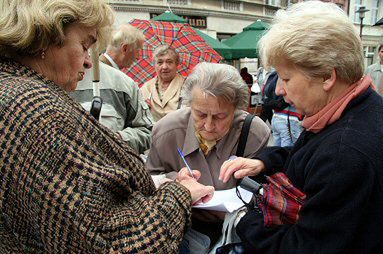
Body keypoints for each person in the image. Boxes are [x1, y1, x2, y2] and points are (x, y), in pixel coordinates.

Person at [0, 0, 214, 252]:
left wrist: (153, 185)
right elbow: (116, 242)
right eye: (84, 45)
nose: (90, 62)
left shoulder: (15, 93)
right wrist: (180, 194)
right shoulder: (35, 108)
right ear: (47, 35)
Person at [219, 1, 383, 253]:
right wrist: (264, 162)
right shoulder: (353, 110)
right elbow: (309, 154)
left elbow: (304, 247)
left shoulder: (345, 153)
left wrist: (245, 220)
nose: (278, 90)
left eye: (286, 78)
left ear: (328, 76)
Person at [145, 62, 270, 246]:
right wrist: (175, 182)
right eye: (200, 114)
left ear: (236, 109)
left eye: (220, 117)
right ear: (189, 104)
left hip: (237, 232)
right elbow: (147, 182)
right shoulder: (166, 131)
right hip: (182, 232)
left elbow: (265, 192)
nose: (209, 126)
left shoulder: (254, 132)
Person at [71, 24, 153, 154]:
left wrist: (116, 140)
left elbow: (147, 131)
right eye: (138, 50)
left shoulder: (125, 83)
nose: (138, 57)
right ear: (125, 48)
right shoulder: (124, 83)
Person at [140, 45, 185, 121]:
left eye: (169, 62)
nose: (164, 67)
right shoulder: (147, 87)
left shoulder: (186, 85)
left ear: (177, 64)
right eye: (160, 62)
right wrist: (141, 109)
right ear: (154, 65)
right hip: (150, 131)